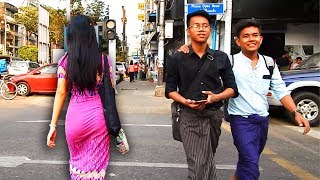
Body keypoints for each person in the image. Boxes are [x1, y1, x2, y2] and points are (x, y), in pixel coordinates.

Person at [228, 19, 310, 180]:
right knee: (251, 163)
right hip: (240, 120)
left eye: (255, 35)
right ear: (238, 41)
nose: (251, 39)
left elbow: (281, 90)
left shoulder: (269, 63)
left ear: (261, 39)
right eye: (246, 36)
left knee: (247, 161)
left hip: (262, 121)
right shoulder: (230, 62)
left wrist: (296, 112)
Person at [165, 10, 238, 180]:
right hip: (188, 115)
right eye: (196, 26)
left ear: (210, 30)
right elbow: (170, 90)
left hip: (213, 116)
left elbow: (232, 89)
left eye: (205, 26)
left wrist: (216, 97)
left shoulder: (221, 57)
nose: (201, 29)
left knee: (205, 161)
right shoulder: (177, 58)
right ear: (188, 30)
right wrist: (185, 101)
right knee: (198, 163)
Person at [46, 15, 113, 180]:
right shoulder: (103, 60)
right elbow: (110, 89)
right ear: (91, 33)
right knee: (96, 170)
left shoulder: (65, 62)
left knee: (78, 168)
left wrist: (53, 126)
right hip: (98, 119)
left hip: (75, 119)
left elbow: (61, 93)